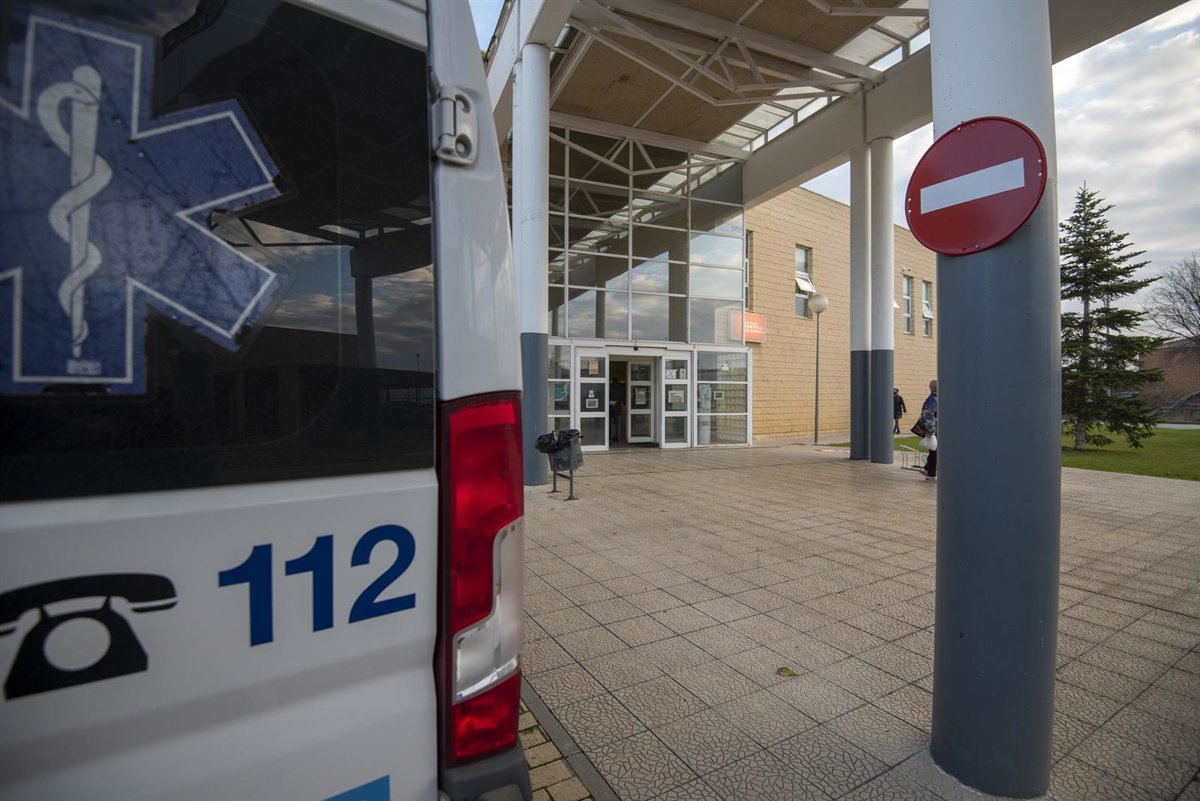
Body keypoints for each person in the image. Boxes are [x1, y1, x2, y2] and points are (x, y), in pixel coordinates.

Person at [921, 379, 938, 480]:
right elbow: (928, 416)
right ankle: (930, 473)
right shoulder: (933, 400)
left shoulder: (933, 399)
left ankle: (928, 469)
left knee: (934, 452)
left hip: (935, 429)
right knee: (934, 452)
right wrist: (931, 432)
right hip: (934, 430)